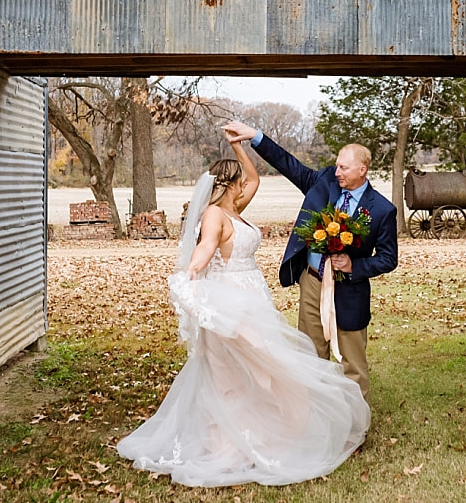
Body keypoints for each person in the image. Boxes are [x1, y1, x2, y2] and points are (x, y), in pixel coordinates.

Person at [116, 136, 369, 487]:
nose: (245, 187)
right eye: (239, 183)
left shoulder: (235, 208)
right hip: (231, 302)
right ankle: (237, 442)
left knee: (259, 370)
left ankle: (266, 431)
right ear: (231, 187)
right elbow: (205, 249)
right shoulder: (214, 216)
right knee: (248, 372)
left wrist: (240, 147)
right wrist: (189, 275)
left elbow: (254, 178)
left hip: (254, 297)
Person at [223, 121, 398, 402]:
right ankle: (315, 423)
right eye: (337, 166)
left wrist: (355, 266)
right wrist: (255, 137)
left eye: (344, 167)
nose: (337, 171)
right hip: (313, 281)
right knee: (311, 357)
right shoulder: (324, 182)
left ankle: (355, 431)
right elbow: (287, 163)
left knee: (352, 363)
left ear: (362, 170)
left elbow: (389, 259)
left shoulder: (382, 209)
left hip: (349, 290)